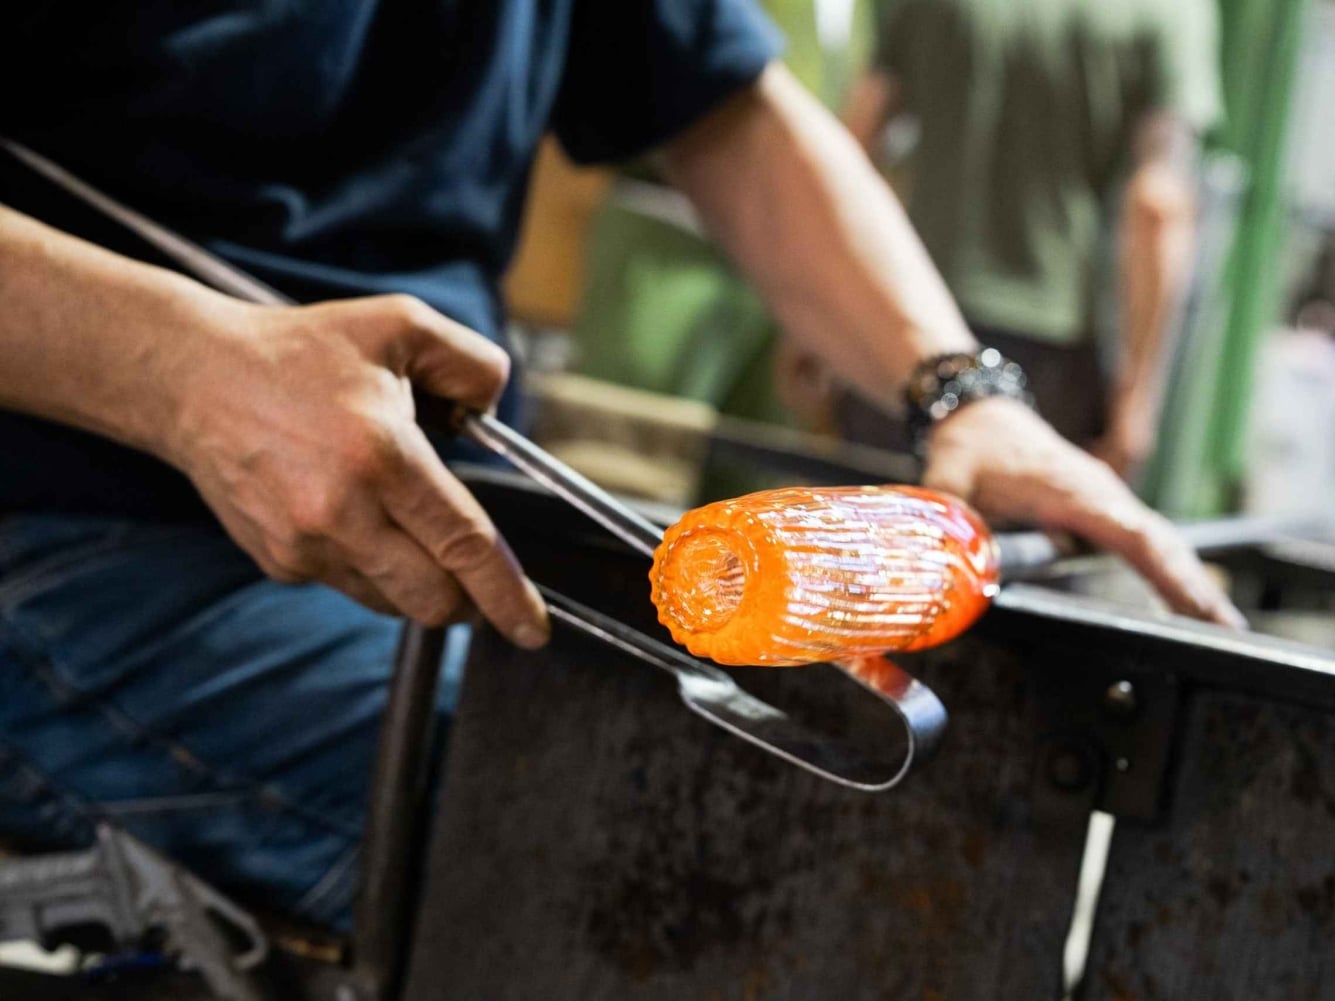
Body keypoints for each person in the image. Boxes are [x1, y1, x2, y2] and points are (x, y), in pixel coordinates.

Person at [0, 1, 1241, 927]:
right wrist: (174, 367)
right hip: (68, 515)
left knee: (947, 802)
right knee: (665, 832)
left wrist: (960, 390)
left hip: (448, 533)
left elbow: (724, 107)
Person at [844, 0, 1223, 476]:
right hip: (1050, 359)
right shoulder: (1170, 11)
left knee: (866, 533)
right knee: (1005, 545)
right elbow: (1157, 207)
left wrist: (810, 317)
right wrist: (1137, 399)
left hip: (900, 328)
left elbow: (855, 144)